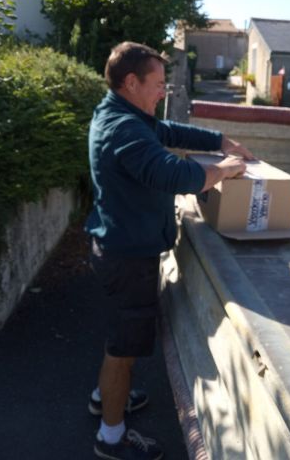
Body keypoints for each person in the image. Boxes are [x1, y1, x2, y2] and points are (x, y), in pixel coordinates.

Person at [85, 41, 254, 460]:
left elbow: (171, 133)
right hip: (127, 259)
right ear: (131, 82)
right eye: (158, 83)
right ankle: (111, 436)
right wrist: (223, 170)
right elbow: (174, 174)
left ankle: (106, 397)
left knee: (121, 340)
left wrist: (222, 140)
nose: (164, 90)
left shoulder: (126, 115)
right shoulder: (123, 128)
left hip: (121, 248)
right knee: (122, 349)